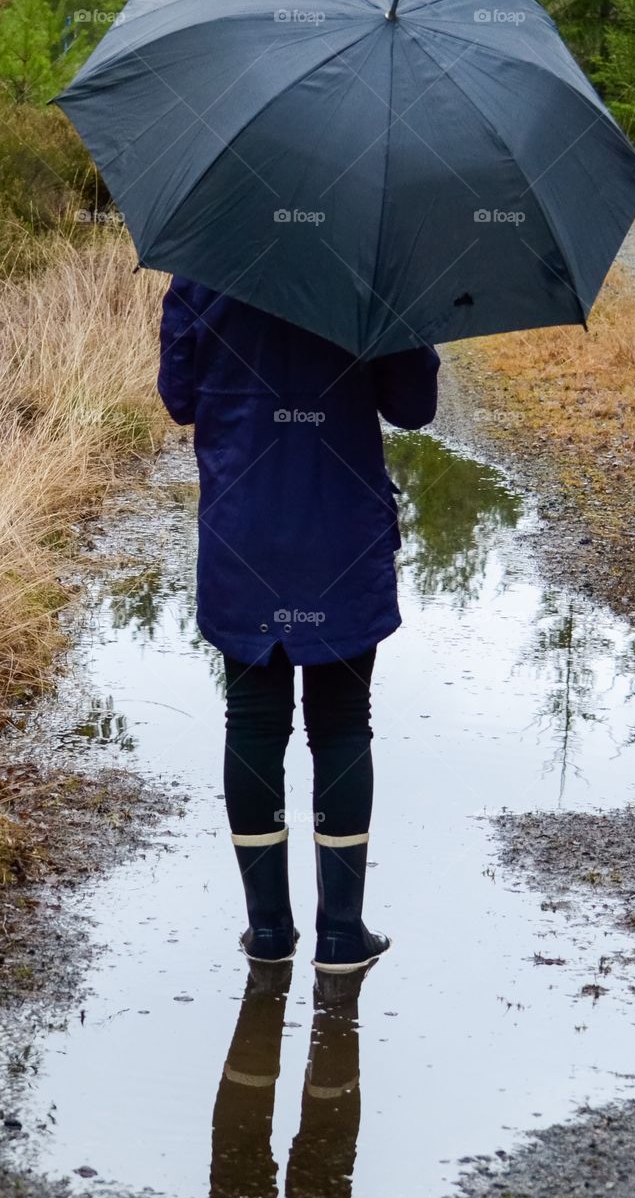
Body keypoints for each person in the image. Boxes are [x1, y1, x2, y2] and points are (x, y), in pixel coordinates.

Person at [157, 276, 440, 971]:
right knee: (341, 724)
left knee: (253, 723)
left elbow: (179, 398)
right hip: (339, 533)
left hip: (243, 529)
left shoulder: (206, 268)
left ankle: (268, 932)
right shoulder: (372, 272)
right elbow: (413, 406)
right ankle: (340, 934)